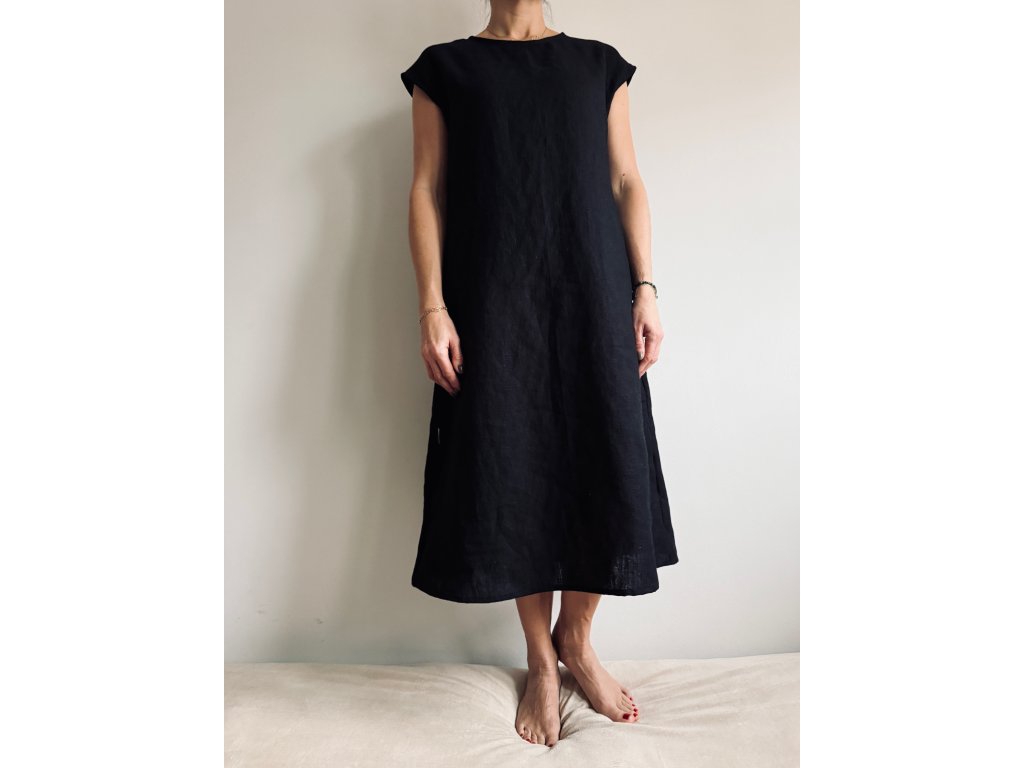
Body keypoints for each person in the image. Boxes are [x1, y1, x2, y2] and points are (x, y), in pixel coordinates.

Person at [400, 0, 678, 748]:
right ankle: (540, 659)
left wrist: (645, 288)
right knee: (511, 464)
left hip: (594, 292)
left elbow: (626, 179)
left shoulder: (598, 66)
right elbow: (426, 188)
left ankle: (576, 639)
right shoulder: (445, 70)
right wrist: (432, 306)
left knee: (603, 455)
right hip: (493, 301)